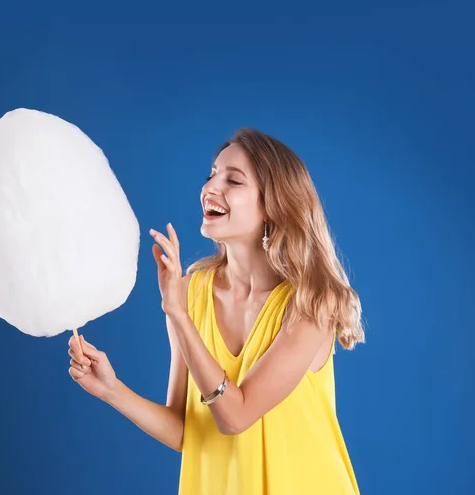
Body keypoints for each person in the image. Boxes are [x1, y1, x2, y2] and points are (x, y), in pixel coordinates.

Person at [68, 127, 365, 494]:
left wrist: (176, 313)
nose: (211, 187)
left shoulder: (313, 303)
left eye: (233, 180)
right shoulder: (189, 293)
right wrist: (112, 389)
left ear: (273, 204)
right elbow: (184, 428)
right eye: (211, 174)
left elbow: (235, 416)